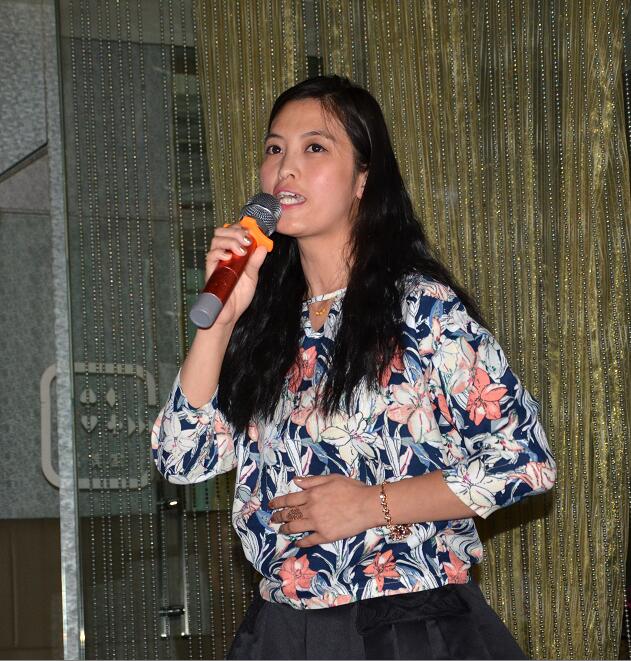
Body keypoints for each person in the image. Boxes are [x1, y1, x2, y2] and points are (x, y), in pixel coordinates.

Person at [151, 75, 556, 660]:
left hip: (405, 624)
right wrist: (221, 321)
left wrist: (372, 504)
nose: (286, 168)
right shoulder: (265, 324)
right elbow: (181, 457)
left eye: (314, 147)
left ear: (363, 178)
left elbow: (525, 461)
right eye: (274, 149)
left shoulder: (420, 307)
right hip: (286, 629)